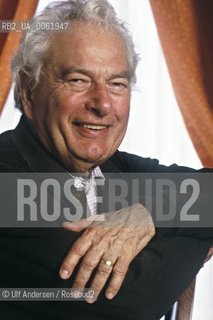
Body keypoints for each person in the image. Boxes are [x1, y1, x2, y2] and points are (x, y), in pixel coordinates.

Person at [0, 0, 212, 319]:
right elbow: (130, 298)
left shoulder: (114, 169)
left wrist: (151, 212)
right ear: (29, 91)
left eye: (117, 84)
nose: (102, 104)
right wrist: (202, 231)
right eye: (78, 80)